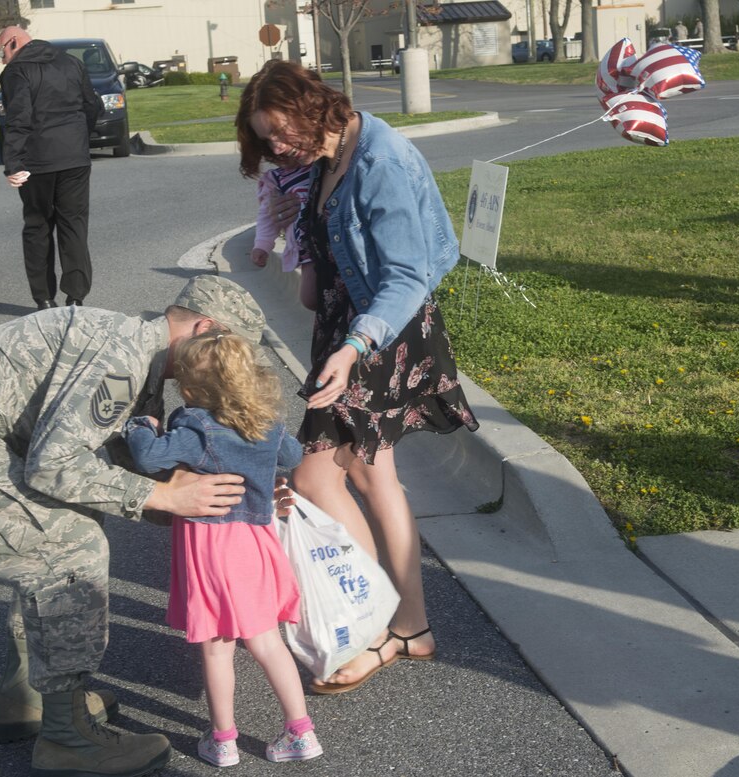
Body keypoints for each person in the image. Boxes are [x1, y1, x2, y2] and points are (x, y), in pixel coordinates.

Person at [0, 275, 283, 777]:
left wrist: (221, 497)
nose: (231, 368)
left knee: (63, 520)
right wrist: (164, 495)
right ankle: (66, 737)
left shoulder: (144, 361)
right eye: (229, 348)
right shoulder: (123, 360)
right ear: (205, 327)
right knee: (70, 549)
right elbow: (54, 464)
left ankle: (24, 697)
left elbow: (117, 463)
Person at [235, 60, 479, 694]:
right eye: (266, 138)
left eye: (280, 132)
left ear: (315, 109)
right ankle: (409, 627)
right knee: (373, 474)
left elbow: (407, 275)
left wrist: (352, 349)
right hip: (348, 326)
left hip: (382, 332)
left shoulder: (380, 161)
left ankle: (376, 628)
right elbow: (319, 288)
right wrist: (298, 237)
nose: (275, 147)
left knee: (316, 476)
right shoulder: (322, 161)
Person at [123, 332, 322, 766]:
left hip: (211, 547)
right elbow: (291, 454)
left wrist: (140, 425)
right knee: (268, 641)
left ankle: (224, 741)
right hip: (254, 540)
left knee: (217, 646)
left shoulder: (196, 428)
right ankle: (301, 732)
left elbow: (150, 458)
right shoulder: (265, 423)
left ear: (192, 391)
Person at [0, 26, 102, 310]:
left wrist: (12, 163)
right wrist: (79, 138)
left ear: (14, 42)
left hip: (37, 162)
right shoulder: (71, 62)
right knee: (74, 225)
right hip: (74, 159)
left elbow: (18, 119)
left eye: (1, 51)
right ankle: (76, 297)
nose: (2, 59)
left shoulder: (17, 72)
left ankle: (44, 298)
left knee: (38, 226)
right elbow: (92, 106)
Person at [251, 163, 319, 310]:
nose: (278, 148)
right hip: (306, 249)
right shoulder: (277, 179)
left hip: (334, 243)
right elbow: (266, 215)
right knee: (310, 297)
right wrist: (262, 245)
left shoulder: (325, 167)